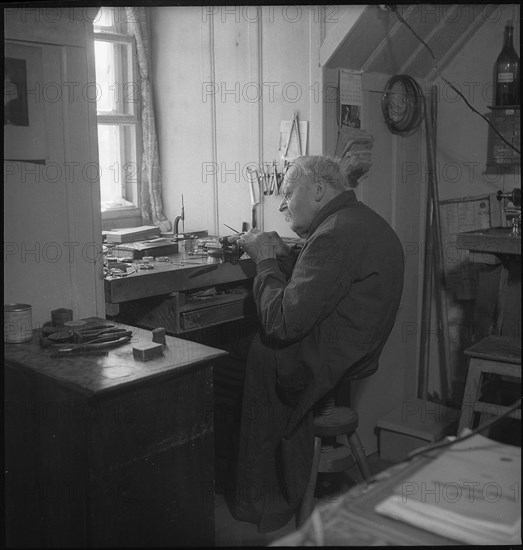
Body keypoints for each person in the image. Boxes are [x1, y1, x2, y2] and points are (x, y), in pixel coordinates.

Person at [228, 155, 405, 532]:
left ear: (319, 189)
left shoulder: (334, 235)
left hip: (327, 359)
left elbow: (281, 324)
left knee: (223, 362)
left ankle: (252, 493)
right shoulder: (362, 221)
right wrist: (289, 256)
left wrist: (264, 262)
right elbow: (332, 281)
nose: (281, 203)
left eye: (288, 193)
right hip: (357, 351)